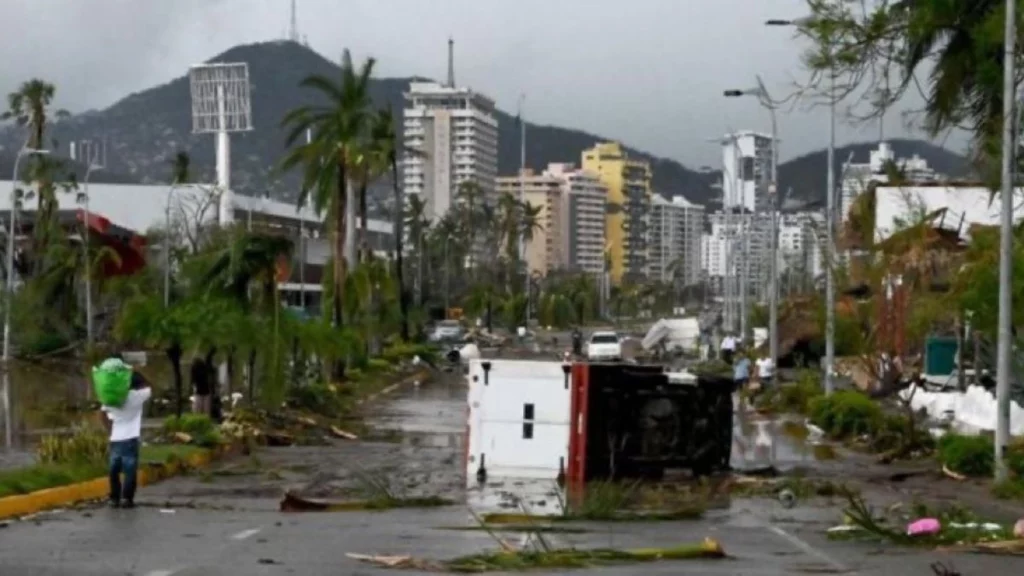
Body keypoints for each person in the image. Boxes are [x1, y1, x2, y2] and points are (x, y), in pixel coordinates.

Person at [100, 356, 152, 509]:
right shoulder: (135, 396)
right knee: (130, 469)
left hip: (115, 438)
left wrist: (110, 430)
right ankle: (126, 498)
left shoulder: (112, 398)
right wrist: (136, 372)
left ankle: (114, 498)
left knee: (114, 469)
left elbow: (101, 414)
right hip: (131, 437)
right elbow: (149, 387)